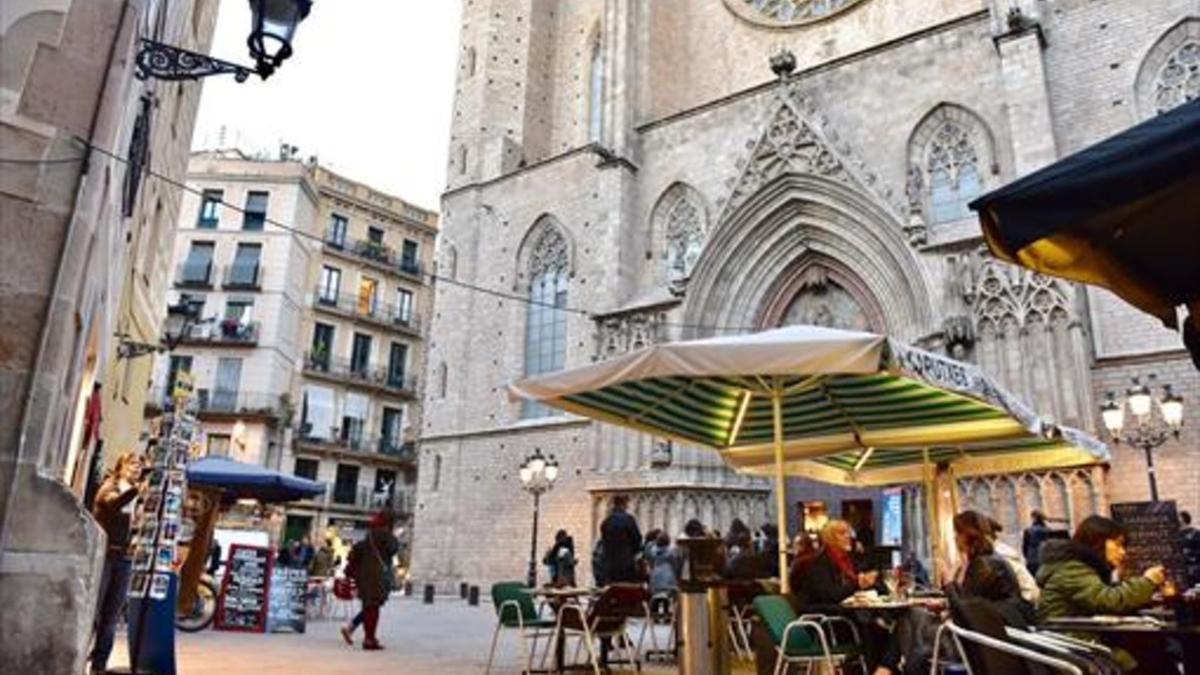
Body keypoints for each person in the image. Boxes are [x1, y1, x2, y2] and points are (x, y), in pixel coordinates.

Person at [1037, 515, 1166, 672]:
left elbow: (1100, 597)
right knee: (1150, 652)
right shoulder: (1072, 570)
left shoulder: (1077, 567)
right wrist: (1148, 581)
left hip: (1081, 641)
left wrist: (1146, 597)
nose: (1123, 552)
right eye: (1118, 545)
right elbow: (1108, 600)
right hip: (1074, 647)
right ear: (1097, 542)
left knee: (1149, 647)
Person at [803, 520, 896, 675]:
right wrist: (858, 585)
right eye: (842, 533)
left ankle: (882, 669)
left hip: (853, 617)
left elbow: (880, 586)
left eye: (849, 532)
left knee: (890, 626)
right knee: (872, 628)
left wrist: (872, 584)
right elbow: (830, 595)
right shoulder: (818, 563)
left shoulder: (853, 559)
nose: (848, 537)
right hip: (827, 622)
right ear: (830, 538)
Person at [89, 451, 145, 675]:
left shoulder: (135, 497)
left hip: (124, 558)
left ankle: (99, 665)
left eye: (139, 465)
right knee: (94, 610)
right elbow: (112, 505)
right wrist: (135, 491)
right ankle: (81, 653)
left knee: (111, 615)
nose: (136, 468)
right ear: (120, 466)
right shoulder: (109, 488)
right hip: (105, 556)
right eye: (132, 463)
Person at [949, 512, 1033, 623]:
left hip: (1002, 630)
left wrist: (948, 584)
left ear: (969, 534)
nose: (955, 538)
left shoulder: (984, 565)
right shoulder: (986, 559)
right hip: (1002, 625)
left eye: (958, 533)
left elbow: (966, 609)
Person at [341, 514, 400, 650]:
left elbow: (354, 554)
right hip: (376, 578)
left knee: (368, 608)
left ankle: (364, 635)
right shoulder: (385, 534)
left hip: (364, 578)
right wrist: (393, 536)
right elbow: (393, 549)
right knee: (373, 609)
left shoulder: (369, 537)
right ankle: (369, 639)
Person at [599, 494, 642, 583]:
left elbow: (604, 542)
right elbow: (637, 539)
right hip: (626, 564)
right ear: (623, 504)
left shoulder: (606, 522)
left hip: (610, 565)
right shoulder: (628, 520)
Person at [646, 531, 681, 615]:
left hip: (655, 578)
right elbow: (675, 564)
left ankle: (654, 612)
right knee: (669, 594)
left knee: (656, 594)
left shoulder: (653, 552)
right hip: (669, 579)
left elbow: (650, 562)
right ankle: (667, 612)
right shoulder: (671, 552)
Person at [1022, 510, 1051, 576]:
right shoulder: (1049, 530)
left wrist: (1028, 557)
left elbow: (1025, 547)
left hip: (1032, 561)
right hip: (1045, 561)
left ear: (1034, 518)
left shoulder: (1028, 531)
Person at [1180, 510, 1200, 587]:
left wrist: (1190, 555)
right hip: (1181, 571)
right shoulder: (1174, 535)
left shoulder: (1196, 533)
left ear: (1182, 519)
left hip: (1194, 570)